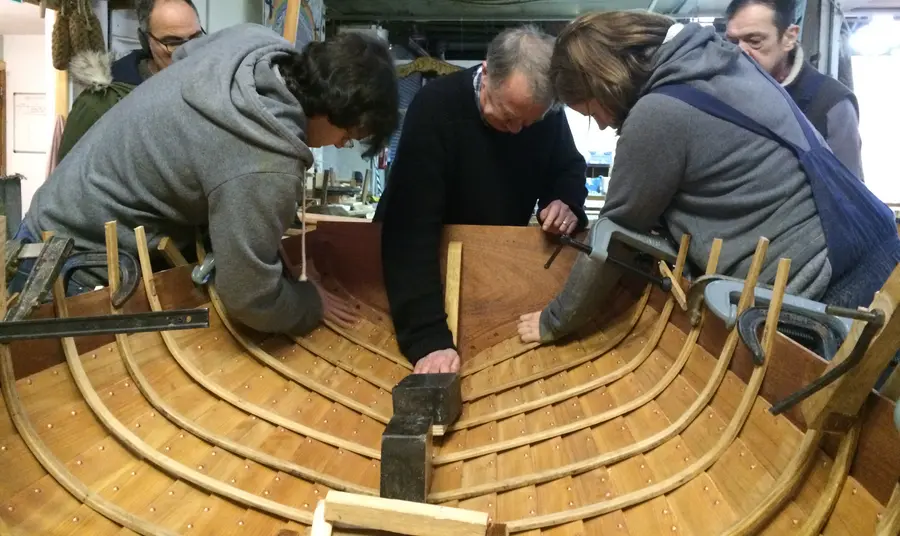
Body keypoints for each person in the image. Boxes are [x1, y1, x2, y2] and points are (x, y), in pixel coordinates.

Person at [517, 11, 899, 346]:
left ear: (603, 82)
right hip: (880, 248)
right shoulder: (723, 64)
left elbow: (613, 238)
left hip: (831, 295)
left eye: (588, 110)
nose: (599, 123)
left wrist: (554, 321)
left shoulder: (658, 114)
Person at [15, 23, 399, 338]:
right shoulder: (267, 163)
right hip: (73, 263)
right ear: (332, 109)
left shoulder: (253, 44)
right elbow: (250, 299)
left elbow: (184, 57)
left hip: (49, 213)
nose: (344, 143)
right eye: (350, 133)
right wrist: (308, 302)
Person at [373, 25, 589, 375]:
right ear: (486, 72)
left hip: (492, 268)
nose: (518, 131)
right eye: (508, 116)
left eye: (528, 122)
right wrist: (427, 337)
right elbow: (410, 231)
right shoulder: (435, 108)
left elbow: (567, 168)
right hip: (423, 271)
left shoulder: (543, 115)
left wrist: (565, 201)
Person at [725, 0, 864, 180]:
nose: (740, 52)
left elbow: (849, 194)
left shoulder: (830, 104)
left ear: (789, 37)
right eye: (732, 41)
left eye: (754, 41)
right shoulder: (721, 91)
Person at [57, 0, 205, 162]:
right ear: (145, 40)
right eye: (172, 42)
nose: (187, 51)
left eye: (196, 39)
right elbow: (67, 182)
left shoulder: (214, 90)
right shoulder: (100, 106)